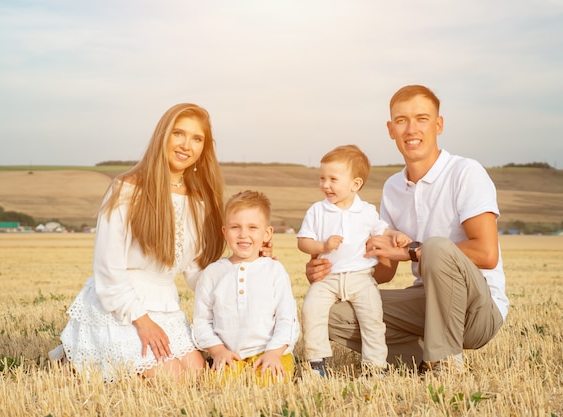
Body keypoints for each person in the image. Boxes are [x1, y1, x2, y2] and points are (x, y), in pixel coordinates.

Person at [306, 85, 509, 375]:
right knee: (330, 312)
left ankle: (446, 362)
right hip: (425, 303)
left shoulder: (466, 172)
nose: (411, 129)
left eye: (422, 118)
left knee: (438, 247)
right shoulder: (392, 188)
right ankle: (423, 358)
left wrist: (410, 251)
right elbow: (384, 269)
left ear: (438, 125)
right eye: (401, 120)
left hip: (477, 309)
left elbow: (487, 254)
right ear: (391, 129)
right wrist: (330, 269)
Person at [49, 103, 227, 380]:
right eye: (178, 134)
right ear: (162, 136)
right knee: (173, 379)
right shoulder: (127, 188)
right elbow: (108, 268)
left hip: (166, 305)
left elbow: (194, 271)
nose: (186, 145)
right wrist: (142, 322)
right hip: (122, 307)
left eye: (197, 138)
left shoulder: (198, 201)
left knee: (196, 375)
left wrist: (247, 266)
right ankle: (76, 356)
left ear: (204, 147)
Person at [297, 145, 410, 377]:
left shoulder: (366, 211)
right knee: (311, 310)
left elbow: (382, 231)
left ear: (355, 184)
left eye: (333, 179)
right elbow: (303, 242)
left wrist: (395, 236)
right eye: (322, 178)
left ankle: (376, 366)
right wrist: (323, 246)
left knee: (372, 318)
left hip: (360, 278)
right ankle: (316, 363)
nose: (325, 185)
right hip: (327, 278)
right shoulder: (317, 211)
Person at [192, 190, 300, 384]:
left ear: (267, 233)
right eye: (235, 227)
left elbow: (287, 318)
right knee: (220, 384)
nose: (243, 235)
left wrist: (274, 353)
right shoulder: (212, 273)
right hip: (229, 355)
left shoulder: (274, 270)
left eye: (252, 227)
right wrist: (218, 350)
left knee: (270, 382)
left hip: (269, 351)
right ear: (225, 232)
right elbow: (202, 322)